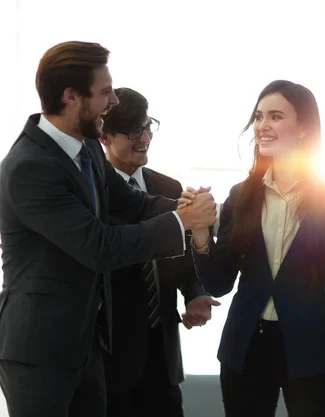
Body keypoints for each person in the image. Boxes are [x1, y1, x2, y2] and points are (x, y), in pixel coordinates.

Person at [0, 41, 216, 417]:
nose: (114, 101)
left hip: (86, 345)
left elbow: (136, 205)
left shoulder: (85, 152)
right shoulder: (30, 167)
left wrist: (196, 209)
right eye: (104, 92)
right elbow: (100, 246)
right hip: (40, 352)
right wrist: (185, 222)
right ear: (71, 97)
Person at [181, 80, 325, 417]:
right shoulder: (240, 196)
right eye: (258, 116)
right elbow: (219, 284)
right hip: (246, 349)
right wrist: (199, 232)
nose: (262, 126)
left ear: (303, 128)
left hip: (314, 348)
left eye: (275, 116)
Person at [100, 87, 221, 417]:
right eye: (132, 131)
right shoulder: (94, 194)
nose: (144, 138)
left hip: (163, 354)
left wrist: (195, 294)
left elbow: (182, 260)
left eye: (147, 126)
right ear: (104, 136)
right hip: (111, 359)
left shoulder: (168, 188)